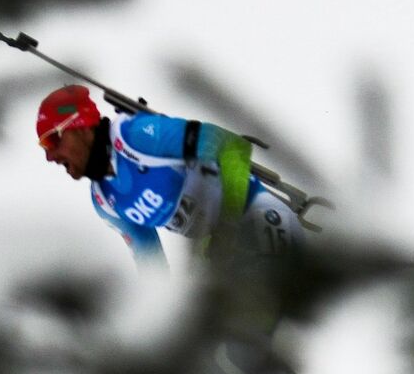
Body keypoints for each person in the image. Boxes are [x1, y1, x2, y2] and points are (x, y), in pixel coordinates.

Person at [36, 85, 303, 270]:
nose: (50, 156)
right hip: (226, 260)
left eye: (53, 140)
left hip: (259, 218)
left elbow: (233, 147)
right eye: (44, 147)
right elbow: (152, 267)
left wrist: (227, 231)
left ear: (81, 126)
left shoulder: (135, 136)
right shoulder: (105, 201)